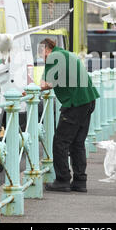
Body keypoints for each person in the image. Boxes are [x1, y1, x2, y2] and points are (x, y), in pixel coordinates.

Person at [38, 38, 100, 192]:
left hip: (75, 103)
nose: (41, 56)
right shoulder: (67, 54)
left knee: (60, 142)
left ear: (46, 49)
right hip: (88, 99)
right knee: (77, 142)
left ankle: (63, 179)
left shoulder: (53, 58)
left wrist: (28, 90)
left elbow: (46, 83)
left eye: (41, 52)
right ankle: (80, 181)